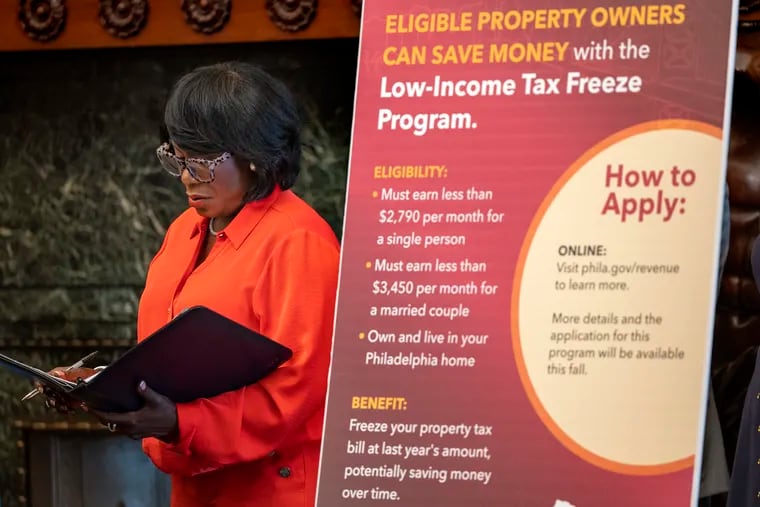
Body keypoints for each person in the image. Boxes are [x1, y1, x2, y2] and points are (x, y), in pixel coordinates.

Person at [43, 61, 341, 507]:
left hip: (270, 492)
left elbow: (295, 393)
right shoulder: (185, 228)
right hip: (195, 489)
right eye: (176, 158)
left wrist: (180, 421)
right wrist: (103, 386)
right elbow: (171, 358)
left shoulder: (299, 241)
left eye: (200, 163)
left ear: (255, 155)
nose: (184, 177)